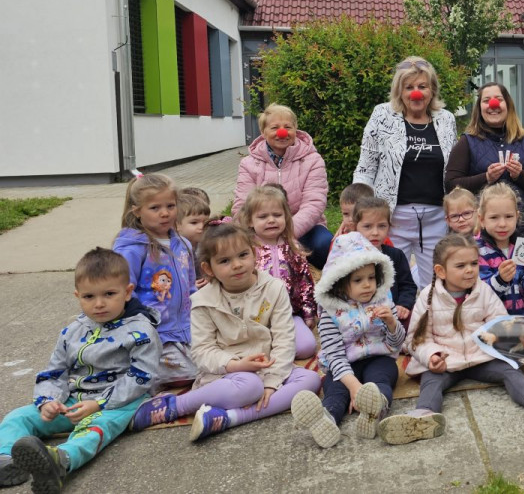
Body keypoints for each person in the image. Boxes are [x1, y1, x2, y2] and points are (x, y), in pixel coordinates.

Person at [376, 234, 524, 444]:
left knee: (509, 370)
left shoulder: (483, 290)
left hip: (482, 357)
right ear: (441, 271)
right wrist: (431, 356)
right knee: (431, 381)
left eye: (474, 263)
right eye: (461, 265)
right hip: (446, 362)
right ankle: (423, 417)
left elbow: (501, 326)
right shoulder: (427, 297)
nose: (469, 270)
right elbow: (416, 340)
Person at [130, 223, 322, 439]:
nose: (237, 265)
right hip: (227, 375)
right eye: (224, 261)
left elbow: (284, 338)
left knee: (310, 380)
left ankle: (229, 418)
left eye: (243, 255)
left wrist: (272, 381)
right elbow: (202, 351)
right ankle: (175, 405)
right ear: (209, 269)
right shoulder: (203, 301)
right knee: (250, 386)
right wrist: (235, 365)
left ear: (255, 254)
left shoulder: (274, 288)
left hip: (268, 367)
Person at [0, 249, 161, 493]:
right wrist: (48, 401)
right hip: (74, 401)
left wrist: (99, 403)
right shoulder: (72, 331)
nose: (99, 303)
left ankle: (61, 460)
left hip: (119, 402)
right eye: (89, 296)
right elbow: (55, 370)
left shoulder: (140, 331)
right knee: (18, 417)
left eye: (109, 294)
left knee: (94, 430)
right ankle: (7, 460)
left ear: (127, 292)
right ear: (78, 296)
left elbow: (142, 376)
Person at [291, 233, 405, 448]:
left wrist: (392, 323)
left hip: (378, 358)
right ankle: (326, 419)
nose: (367, 285)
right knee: (336, 392)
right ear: (340, 283)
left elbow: (396, 343)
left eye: (371, 277)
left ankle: (375, 410)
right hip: (343, 365)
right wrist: (354, 387)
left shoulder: (383, 301)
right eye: (358, 280)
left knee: (381, 381)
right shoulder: (331, 312)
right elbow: (334, 354)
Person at [354, 57, 459, 289]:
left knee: (436, 284)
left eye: (422, 86)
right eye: (409, 87)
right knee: (388, 284)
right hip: (392, 219)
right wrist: (358, 211)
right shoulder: (382, 115)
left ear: (432, 90)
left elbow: (453, 169)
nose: (416, 93)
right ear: (399, 91)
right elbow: (365, 168)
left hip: (435, 218)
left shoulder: (446, 119)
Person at [112, 173, 196, 387]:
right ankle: (133, 376)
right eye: (155, 208)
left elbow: (191, 287)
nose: (165, 213)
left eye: (170, 205)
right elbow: (122, 294)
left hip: (186, 330)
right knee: (189, 374)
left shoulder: (183, 244)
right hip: (154, 336)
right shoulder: (132, 249)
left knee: (210, 365)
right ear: (137, 211)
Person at [234, 103, 332, 269]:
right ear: (263, 132)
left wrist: (287, 232)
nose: (282, 132)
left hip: (305, 228)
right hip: (261, 229)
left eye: (288, 127)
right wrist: (259, 233)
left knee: (326, 245)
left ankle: (326, 282)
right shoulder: (248, 164)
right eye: (274, 128)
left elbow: (314, 203)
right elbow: (242, 205)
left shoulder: (313, 160)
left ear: (296, 129)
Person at [445, 82, 524, 239]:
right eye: (486, 101)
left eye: (499, 99)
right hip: (480, 235)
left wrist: (519, 175)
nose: (493, 104)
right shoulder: (467, 142)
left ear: (508, 105)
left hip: (520, 231)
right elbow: (451, 184)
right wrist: (486, 177)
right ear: (479, 108)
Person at [238, 185, 318, 360]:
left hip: (288, 314)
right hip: (255, 318)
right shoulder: (246, 250)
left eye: (277, 215)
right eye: (263, 216)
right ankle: (271, 350)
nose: (271, 220)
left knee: (307, 347)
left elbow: (305, 282)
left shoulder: (293, 247)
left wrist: (308, 312)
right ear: (250, 221)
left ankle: (276, 350)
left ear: (286, 217)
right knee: (247, 349)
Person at [475, 184, 524, 315]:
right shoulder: (477, 251)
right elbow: (480, 296)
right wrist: (500, 279)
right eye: (494, 217)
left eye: (508, 216)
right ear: (482, 220)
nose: (502, 224)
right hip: (492, 320)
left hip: (523, 317)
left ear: (517, 217)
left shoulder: (523, 247)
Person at [351, 197, 418, 319]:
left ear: (389, 227)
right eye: (367, 226)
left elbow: (407, 286)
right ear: (355, 227)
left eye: (382, 226)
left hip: (392, 316)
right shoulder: (347, 258)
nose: (375, 232)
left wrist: (403, 304)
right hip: (356, 318)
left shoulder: (396, 255)